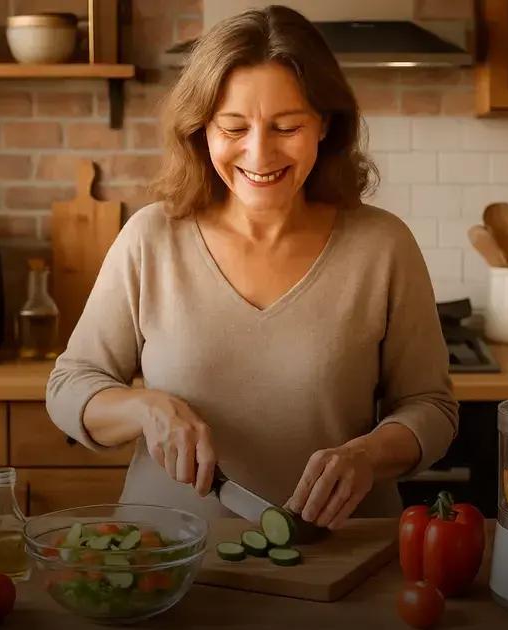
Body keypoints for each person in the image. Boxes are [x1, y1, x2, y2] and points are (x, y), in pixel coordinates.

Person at [46, 5, 458, 530]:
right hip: (167, 563)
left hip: (337, 559)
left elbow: (432, 408)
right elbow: (69, 386)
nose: (259, 154)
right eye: (234, 127)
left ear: (325, 126)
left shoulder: (382, 245)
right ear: (202, 130)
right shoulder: (152, 239)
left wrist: (369, 455)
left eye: (287, 126)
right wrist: (145, 409)